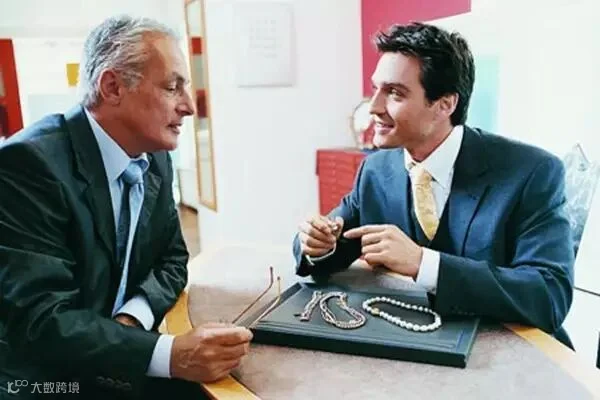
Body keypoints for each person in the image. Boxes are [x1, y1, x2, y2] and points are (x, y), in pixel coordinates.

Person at [0, 16, 252, 399]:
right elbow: (41, 320)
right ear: (113, 87)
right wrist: (169, 355)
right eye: (172, 87)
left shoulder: (156, 157)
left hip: (120, 357)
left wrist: (131, 318)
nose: (189, 106)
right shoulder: (28, 165)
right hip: (45, 378)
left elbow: (172, 260)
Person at [293, 22, 575, 347]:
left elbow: (549, 296)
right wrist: (317, 245)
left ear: (445, 105)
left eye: (395, 93)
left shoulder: (533, 172)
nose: (374, 107)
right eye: (376, 89)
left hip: (515, 356)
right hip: (415, 347)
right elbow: (332, 241)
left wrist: (423, 263)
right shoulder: (375, 170)